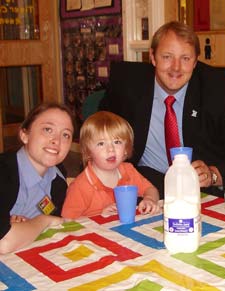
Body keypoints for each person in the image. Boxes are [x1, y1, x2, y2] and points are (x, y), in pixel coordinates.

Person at [99, 21, 225, 198]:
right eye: (167, 57)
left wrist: (213, 175)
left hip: (199, 192)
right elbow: (96, 137)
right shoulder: (127, 83)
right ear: (152, 57)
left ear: (196, 61)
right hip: (142, 184)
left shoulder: (220, 91)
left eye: (185, 58)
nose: (176, 67)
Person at [0, 103, 74, 254]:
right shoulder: (4, 171)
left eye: (65, 134)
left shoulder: (58, 177)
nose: (56, 140)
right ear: (24, 135)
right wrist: (43, 220)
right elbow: (4, 243)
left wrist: (26, 227)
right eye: (48, 130)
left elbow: (54, 222)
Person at [62, 111, 160, 219]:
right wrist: (99, 216)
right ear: (88, 151)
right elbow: (67, 223)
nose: (110, 149)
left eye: (117, 142)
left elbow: (151, 189)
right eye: (101, 143)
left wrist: (150, 199)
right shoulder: (80, 186)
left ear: (126, 149)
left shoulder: (128, 170)